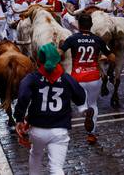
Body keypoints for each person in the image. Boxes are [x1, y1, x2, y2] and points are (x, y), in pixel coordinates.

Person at [14, 43, 87, 175]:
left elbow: (23, 96)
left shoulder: (31, 78)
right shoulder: (66, 78)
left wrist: (19, 118)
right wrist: (80, 104)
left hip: (37, 129)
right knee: (56, 168)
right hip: (59, 130)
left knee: (35, 154)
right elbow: (81, 95)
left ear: (38, 60)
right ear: (57, 59)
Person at [60, 14, 115, 144]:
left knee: (79, 102)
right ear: (91, 25)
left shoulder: (72, 38)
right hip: (94, 77)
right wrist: (103, 58)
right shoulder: (98, 39)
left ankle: (84, 111)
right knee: (93, 104)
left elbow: (59, 53)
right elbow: (112, 57)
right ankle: (91, 134)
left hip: (77, 78)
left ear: (79, 25)